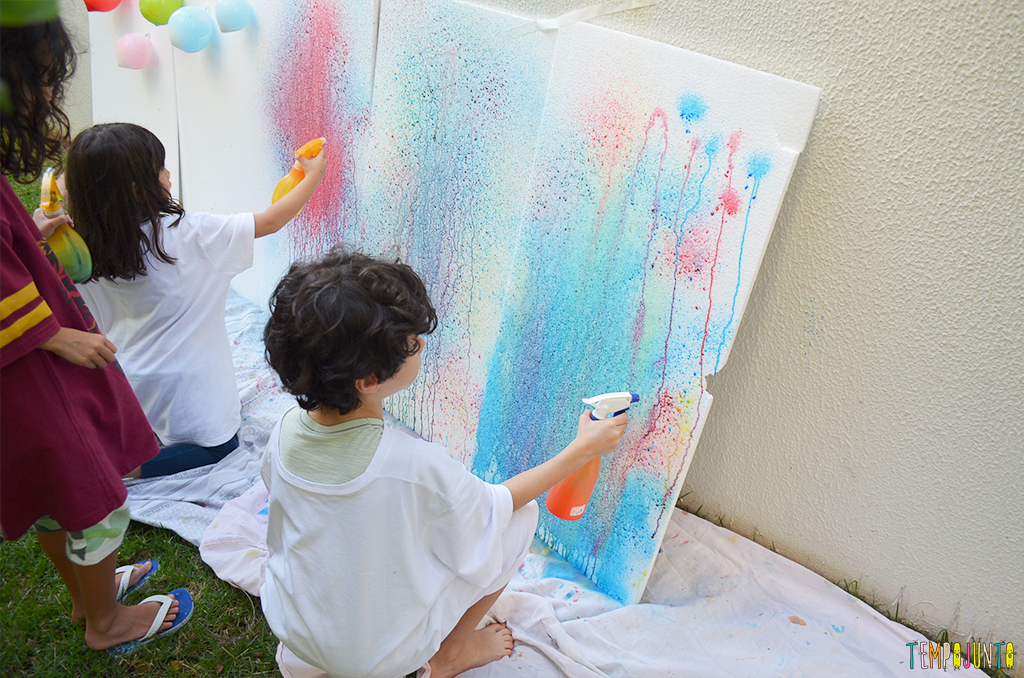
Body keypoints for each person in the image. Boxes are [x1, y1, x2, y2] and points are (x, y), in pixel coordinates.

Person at [260, 248, 628, 678]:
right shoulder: (413, 466)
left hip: (297, 634)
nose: (421, 347)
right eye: (413, 344)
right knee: (519, 518)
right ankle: (448, 658)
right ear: (368, 380)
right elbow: (498, 507)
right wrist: (581, 450)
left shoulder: (283, 432)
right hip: (375, 661)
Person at [1, 16, 190, 654]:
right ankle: (107, 625)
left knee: (57, 493)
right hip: (27, 365)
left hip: (28, 363)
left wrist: (28, 225)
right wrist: (55, 334)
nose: (46, 97)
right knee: (93, 495)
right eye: (41, 81)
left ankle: (90, 598)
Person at [63, 122, 327, 478]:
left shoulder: (78, 244)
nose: (168, 173)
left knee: (157, 433)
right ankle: (123, 467)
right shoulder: (189, 234)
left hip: (131, 380)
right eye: (159, 168)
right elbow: (270, 221)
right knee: (221, 448)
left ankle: (130, 449)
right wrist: (313, 176)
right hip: (189, 388)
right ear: (138, 190)